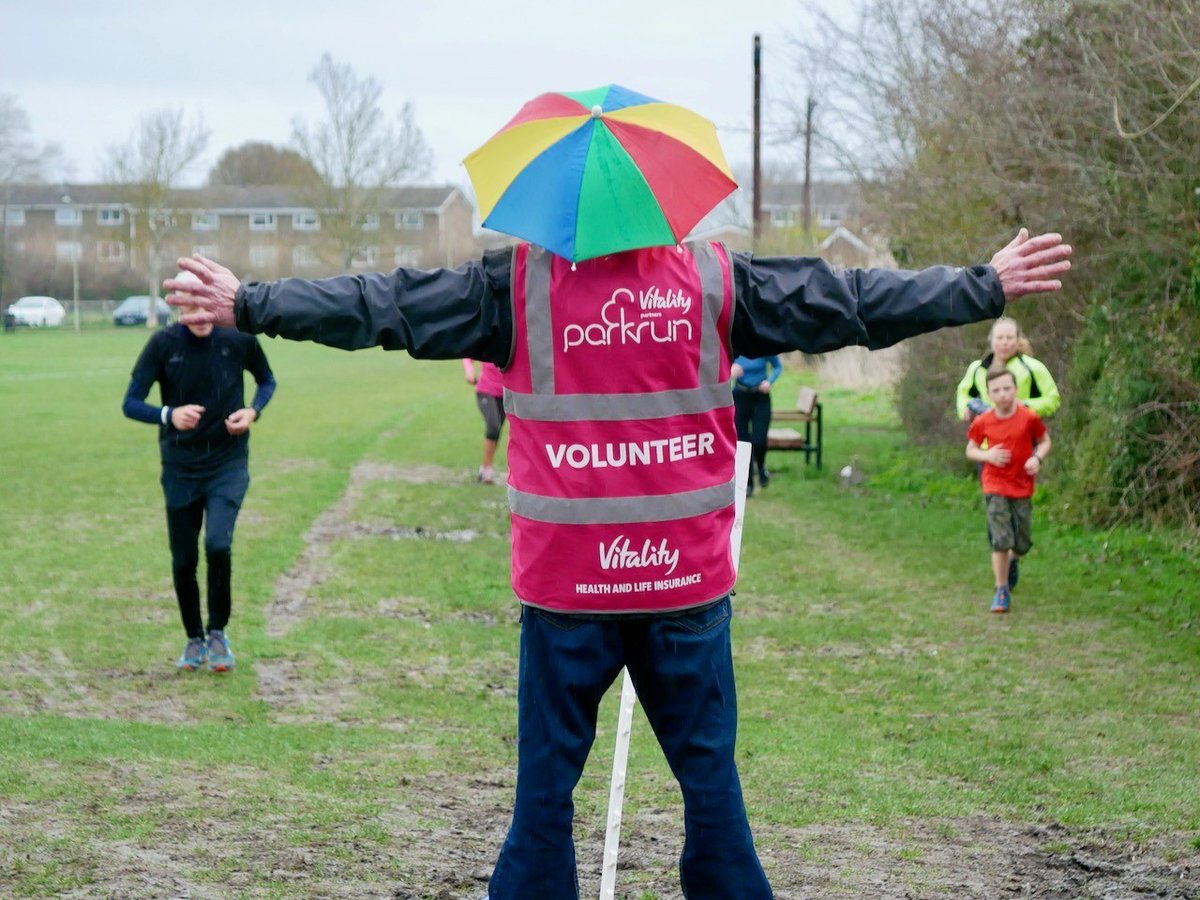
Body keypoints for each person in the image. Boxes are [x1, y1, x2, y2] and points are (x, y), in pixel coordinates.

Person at [167, 220, 1069, 895]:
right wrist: (979, 286)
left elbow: (382, 306)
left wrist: (252, 303)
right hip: (683, 587)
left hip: (568, 591)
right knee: (710, 780)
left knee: (544, 793)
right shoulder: (718, 279)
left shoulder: (512, 285)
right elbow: (856, 301)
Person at [122, 274, 276, 672]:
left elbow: (267, 379)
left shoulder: (238, 338)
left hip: (227, 463)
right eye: (190, 307)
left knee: (218, 546)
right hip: (180, 467)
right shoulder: (163, 344)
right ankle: (193, 639)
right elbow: (131, 402)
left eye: (205, 305)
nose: (200, 314)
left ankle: (218, 632)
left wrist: (253, 411)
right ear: (178, 306)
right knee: (184, 558)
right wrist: (168, 414)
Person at [965, 365, 1052, 613]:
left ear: (1015, 389)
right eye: (996, 390)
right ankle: (1001, 590)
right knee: (1001, 539)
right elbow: (970, 450)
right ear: (989, 394)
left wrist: (1037, 458)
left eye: (1007, 388)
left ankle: (1014, 561)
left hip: (1022, 485)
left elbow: (1045, 441)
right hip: (995, 485)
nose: (1002, 394)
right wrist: (988, 454)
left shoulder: (1029, 417)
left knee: (1021, 543)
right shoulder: (983, 421)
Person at [955, 315, 1060, 422]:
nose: (1004, 342)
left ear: (1018, 340)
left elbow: (1052, 399)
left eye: (1009, 338)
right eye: (999, 338)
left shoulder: (1033, 367)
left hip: (1023, 433)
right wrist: (966, 410)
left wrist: (1024, 406)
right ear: (991, 340)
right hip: (986, 435)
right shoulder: (977, 368)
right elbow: (963, 393)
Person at [730, 354, 782, 496]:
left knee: (759, 440)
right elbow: (718, 369)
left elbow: (778, 367)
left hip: (761, 397)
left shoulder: (762, 344)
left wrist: (769, 381)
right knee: (743, 442)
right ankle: (748, 483)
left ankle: (760, 467)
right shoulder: (734, 346)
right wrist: (729, 371)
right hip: (740, 396)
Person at [463, 357, 506, 484]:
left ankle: (485, 467)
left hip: (506, 393)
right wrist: (469, 371)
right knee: (493, 426)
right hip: (486, 390)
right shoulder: (487, 338)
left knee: (496, 431)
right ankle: (487, 469)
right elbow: (468, 355)